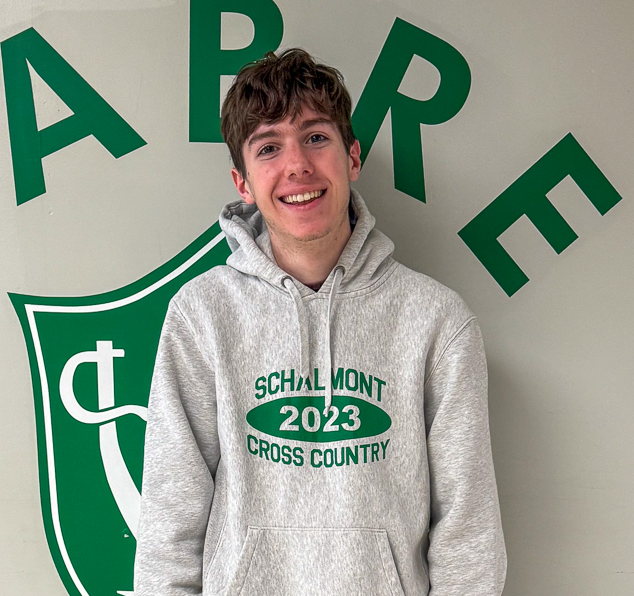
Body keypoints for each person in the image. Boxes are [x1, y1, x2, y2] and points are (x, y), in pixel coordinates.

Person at [134, 48, 506, 596]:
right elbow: (170, 519)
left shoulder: (437, 322)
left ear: (352, 157)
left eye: (315, 137)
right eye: (268, 147)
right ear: (242, 182)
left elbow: (467, 531)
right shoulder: (202, 315)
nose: (297, 166)